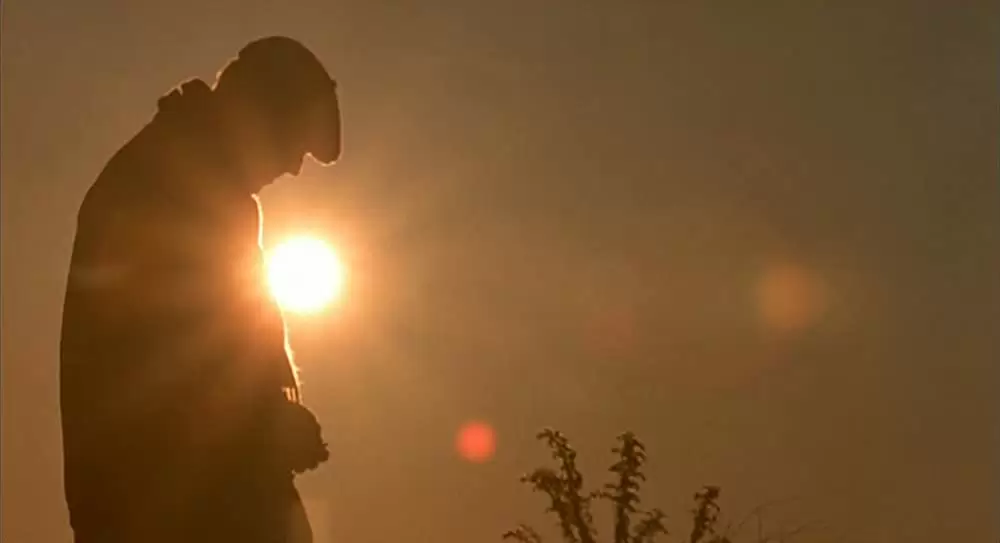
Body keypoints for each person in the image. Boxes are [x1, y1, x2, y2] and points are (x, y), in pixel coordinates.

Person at [59, 36, 339, 543]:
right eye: (295, 142)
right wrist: (267, 428)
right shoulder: (163, 188)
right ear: (261, 116)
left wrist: (272, 421)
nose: (295, 167)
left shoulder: (196, 185)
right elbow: (163, 369)